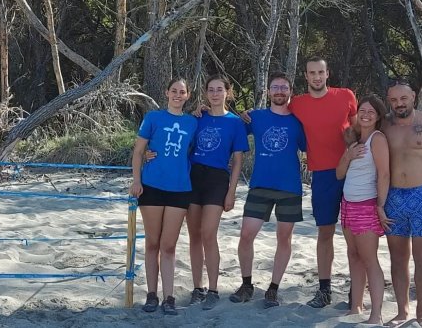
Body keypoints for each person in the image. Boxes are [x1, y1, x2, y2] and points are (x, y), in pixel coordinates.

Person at [269, 57, 357, 308]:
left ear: (328, 73)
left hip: (352, 171)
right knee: (325, 232)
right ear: (305, 76)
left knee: (354, 235)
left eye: (321, 72)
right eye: (311, 73)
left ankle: (356, 288)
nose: (317, 77)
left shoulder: (346, 96)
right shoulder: (297, 104)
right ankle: (324, 289)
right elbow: (273, 113)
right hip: (322, 175)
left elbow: (361, 125)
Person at [229, 72, 306, 309]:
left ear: (290, 91)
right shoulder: (256, 117)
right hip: (260, 184)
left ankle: (273, 289)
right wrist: (202, 109)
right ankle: (246, 284)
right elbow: (227, 125)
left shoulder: (299, 120)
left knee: (284, 238)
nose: (280, 91)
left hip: (289, 186)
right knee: (246, 235)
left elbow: (313, 145)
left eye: (284, 87)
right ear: (269, 91)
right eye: (275, 87)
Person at [129, 78, 198, 316]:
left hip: (180, 188)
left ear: (188, 95)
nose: (178, 95)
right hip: (152, 186)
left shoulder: (192, 122)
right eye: (174, 91)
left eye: (182, 92)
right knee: (153, 243)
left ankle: (169, 297)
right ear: (167, 93)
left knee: (169, 246)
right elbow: (138, 152)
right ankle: (151, 294)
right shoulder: (153, 118)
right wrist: (136, 180)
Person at [187, 74, 249, 310]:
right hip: (194, 177)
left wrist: (231, 192)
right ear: (205, 93)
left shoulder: (234, 123)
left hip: (217, 179)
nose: (215, 94)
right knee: (194, 235)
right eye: (210, 90)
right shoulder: (198, 118)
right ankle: (197, 287)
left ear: (227, 92)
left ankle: (213, 288)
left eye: (219, 90)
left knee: (208, 233)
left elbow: (238, 161)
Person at [336, 95, 390, 325]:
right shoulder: (354, 141)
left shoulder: (377, 139)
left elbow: (384, 173)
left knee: (369, 259)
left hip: (366, 205)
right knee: (353, 255)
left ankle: (376, 314)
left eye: (371, 111)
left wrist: (380, 205)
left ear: (378, 116)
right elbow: (339, 173)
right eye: (362, 110)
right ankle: (356, 305)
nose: (366, 114)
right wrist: (348, 155)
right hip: (347, 204)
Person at [382, 79, 422, 328]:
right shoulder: (384, 124)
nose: (398, 104)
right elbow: (351, 130)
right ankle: (402, 310)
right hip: (393, 197)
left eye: (403, 99)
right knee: (398, 258)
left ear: (413, 96)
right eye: (393, 100)